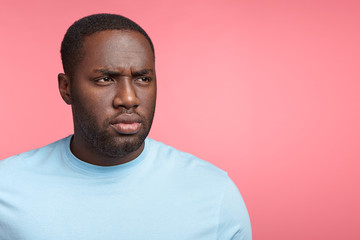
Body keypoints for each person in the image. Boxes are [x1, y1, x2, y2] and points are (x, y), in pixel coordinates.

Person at [0, 13, 252, 239]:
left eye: (142, 78)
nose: (128, 99)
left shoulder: (214, 191)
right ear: (66, 88)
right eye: (105, 79)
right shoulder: (7, 188)